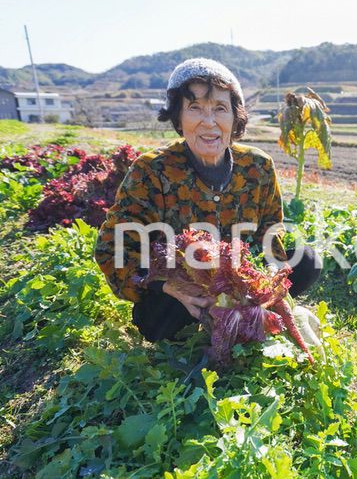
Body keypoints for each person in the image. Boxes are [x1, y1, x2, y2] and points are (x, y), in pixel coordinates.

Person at [95, 58, 321, 342]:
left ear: (235, 117)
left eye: (220, 109)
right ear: (178, 117)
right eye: (195, 108)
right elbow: (112, 248)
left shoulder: (257, 167)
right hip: (189, 289)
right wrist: (167, 286)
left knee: (308, 261)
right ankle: (211, 318)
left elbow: (269, 232)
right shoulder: (151, 171)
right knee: (156, 321)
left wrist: (269, 280)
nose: (209, 122)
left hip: (243, 282)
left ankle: (246, 315)